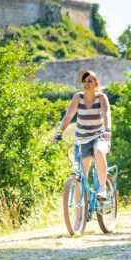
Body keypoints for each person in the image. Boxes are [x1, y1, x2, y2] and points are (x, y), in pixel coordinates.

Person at [53, 70, 112, 200]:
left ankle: (102, 189)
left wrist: (108, 129)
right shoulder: (78, 97)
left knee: (99, 151)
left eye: (90, 81)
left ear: (96, 83)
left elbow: (107, 114)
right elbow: (68, 116)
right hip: (82, 139)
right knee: (81, 176)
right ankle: (79, 216)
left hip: (99, 136)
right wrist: (59, 132)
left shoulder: (101, 97)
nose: (86, 83)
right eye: (84, 81)